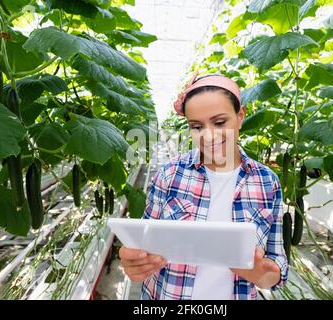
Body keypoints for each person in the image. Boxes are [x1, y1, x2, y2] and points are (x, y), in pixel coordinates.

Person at [118, 71, 288, 300]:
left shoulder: (267, 182)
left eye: (219, 122)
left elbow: (276, 269)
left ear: (240, 116)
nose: (208, 136)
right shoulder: (169, 175)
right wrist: (136, 263)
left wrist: (260, 273)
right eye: (197, 126)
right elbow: (147, 246)